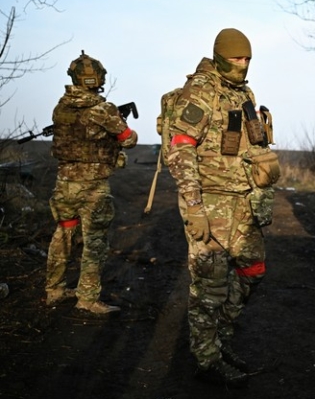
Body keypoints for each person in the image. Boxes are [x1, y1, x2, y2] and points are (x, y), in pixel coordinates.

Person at [165, 28, 279, 388]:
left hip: (243, 200)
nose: (242, 65)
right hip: (210, 200)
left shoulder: (244, 92)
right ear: (219, 56)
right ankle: (206, 359)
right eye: (235, 59)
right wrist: (194, 206)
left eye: (247, 59)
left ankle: (219, 338)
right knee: (209, 287)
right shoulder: (201, 90)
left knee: (253, 270)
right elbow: (180, 148)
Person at [45, 51, 138, 314]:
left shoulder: (60, 107)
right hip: (93, 188)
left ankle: (54, 289)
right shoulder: (103, 109)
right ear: (97, 78)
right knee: (94, 242)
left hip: (63, 183)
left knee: (63, 234)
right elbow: (129, 139)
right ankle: (87, 298)